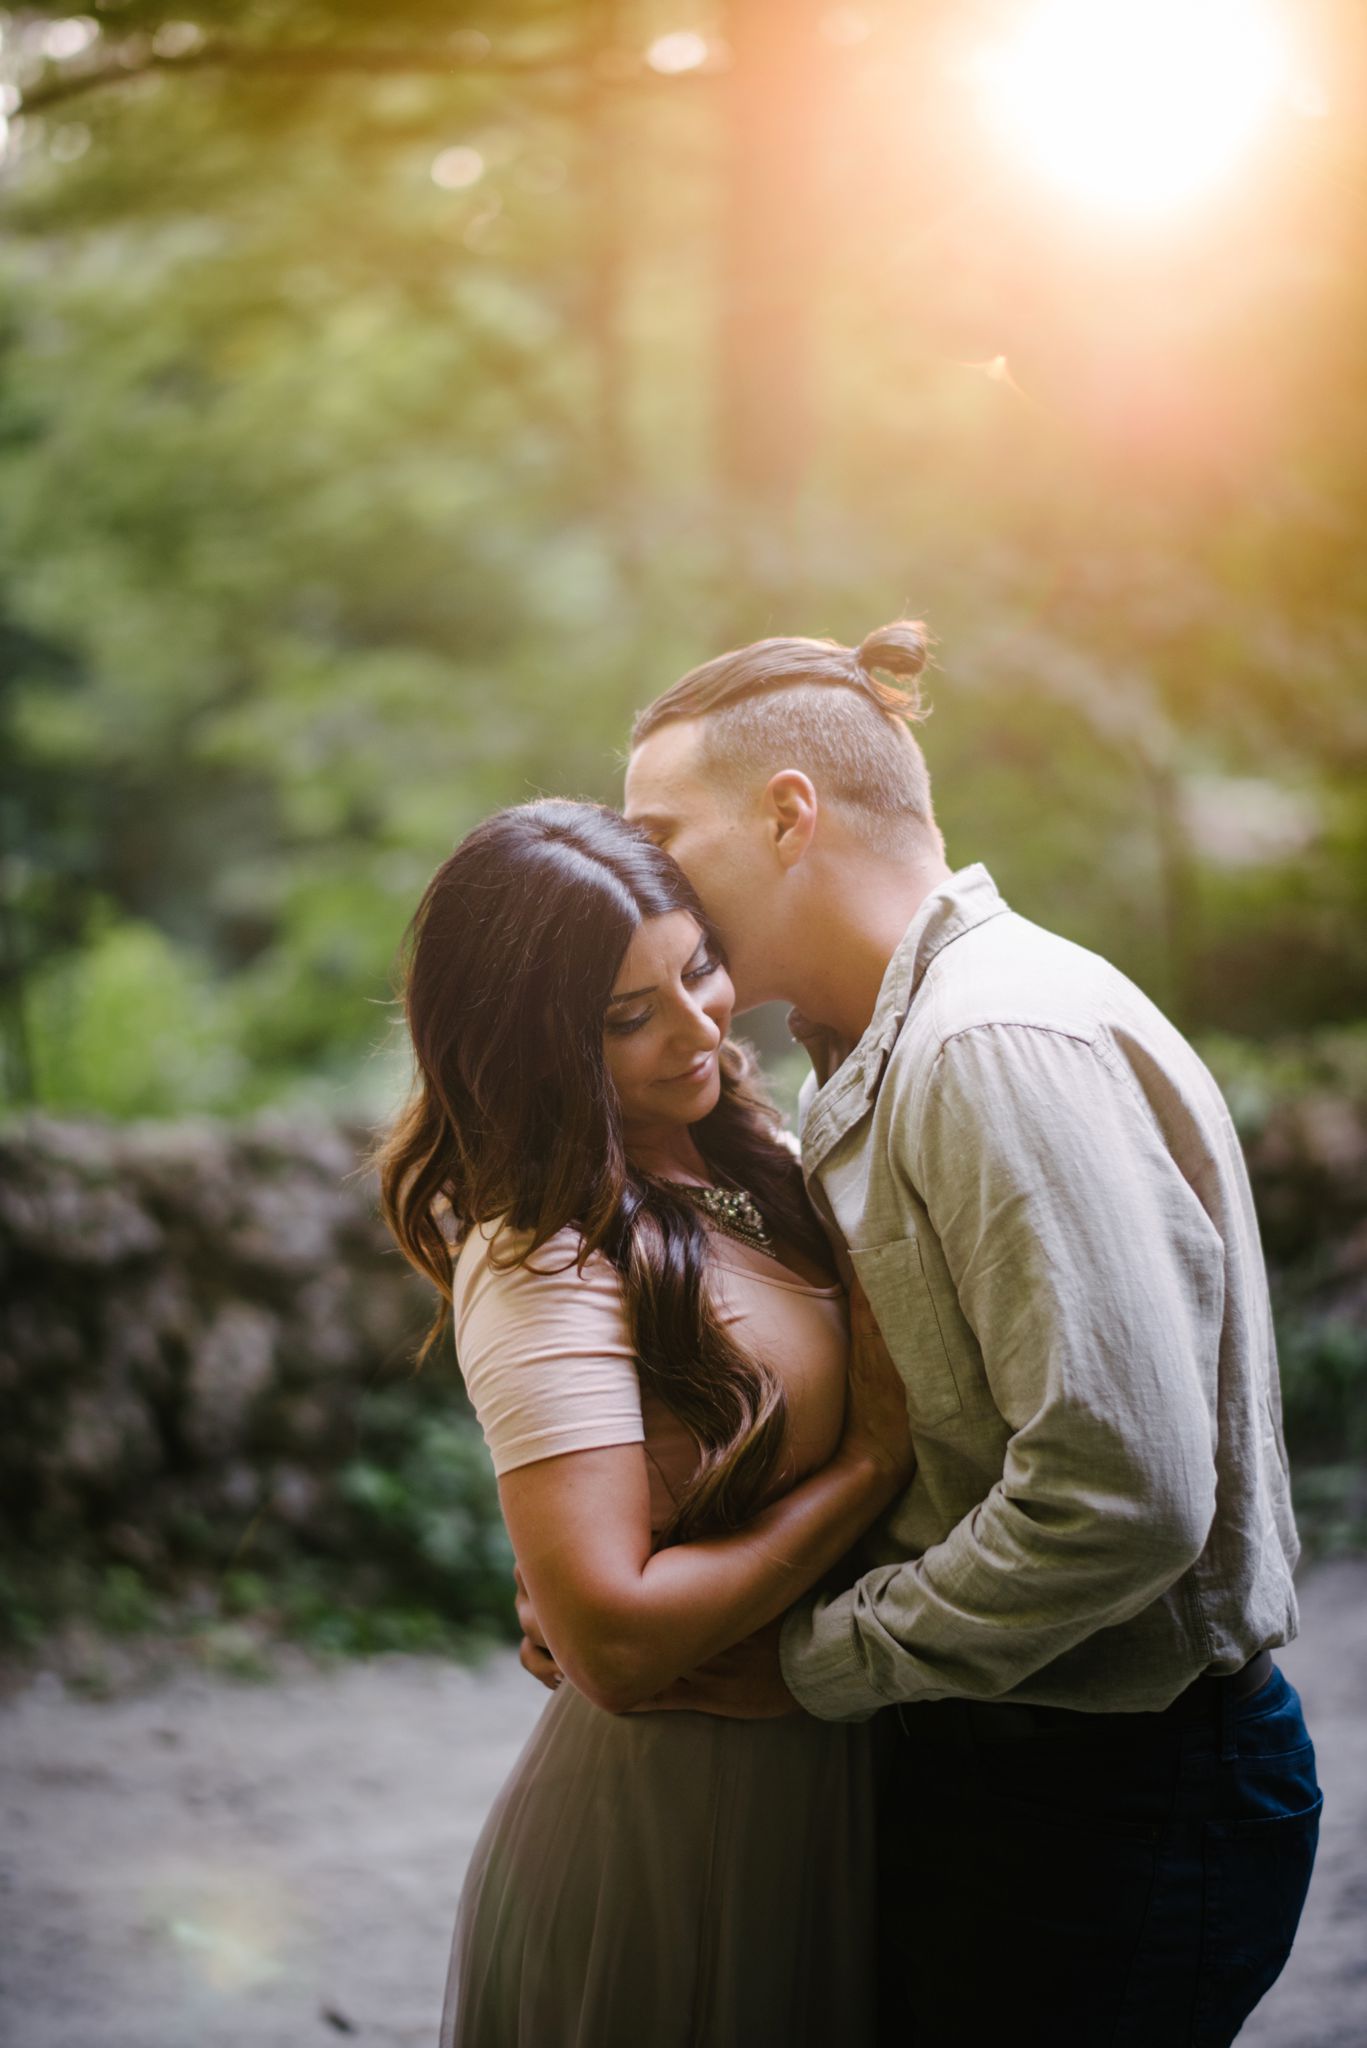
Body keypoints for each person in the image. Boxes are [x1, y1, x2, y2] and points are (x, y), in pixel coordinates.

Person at [517, 620, 1320, 2047]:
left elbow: (1118, 1496)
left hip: (1099, 1806)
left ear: (785, 814)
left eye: (658, 834)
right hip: (1014, 1779)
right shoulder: (862, 1064)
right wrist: (630, 1572)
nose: (637, 884)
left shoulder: (983, 1045)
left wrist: (812, 1662)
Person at [376, 799, 914, 2048]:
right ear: (526, 1046)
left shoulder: (753, 1148)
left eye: (699, 966)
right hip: (671, 1833)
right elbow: (610, 1643)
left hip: (828, 1790)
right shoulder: (538, 1259)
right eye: (629, 1017)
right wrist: (870, 1461)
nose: (699, 1026)